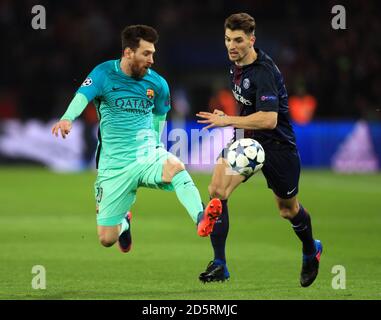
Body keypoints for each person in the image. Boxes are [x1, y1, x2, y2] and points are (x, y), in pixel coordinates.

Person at [52, 25, 222, 254]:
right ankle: (123, 224)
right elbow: (82, 96)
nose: (152, 59)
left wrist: (153, 142)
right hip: (114, 165)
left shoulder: (158, 83)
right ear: (128, 53)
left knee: (176, 167)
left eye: (153, 53)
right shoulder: (103, 73)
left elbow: (160, 113)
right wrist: (67, 118)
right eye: (146, 54)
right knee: (106, 238)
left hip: (146, 154)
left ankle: (201, 218)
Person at [196, 13, 323, 287]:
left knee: (288, 210)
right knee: (217, 191)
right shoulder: (236, 66)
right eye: (228, 39)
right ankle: (220, 264)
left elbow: (269, 119)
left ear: (252, 39)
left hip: (278, 145)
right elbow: (250, 109)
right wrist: (230, 120)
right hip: (246, 140)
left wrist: (226, 119)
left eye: (238, 40)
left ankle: (311, 249)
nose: (232, 45)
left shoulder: (264, 71)